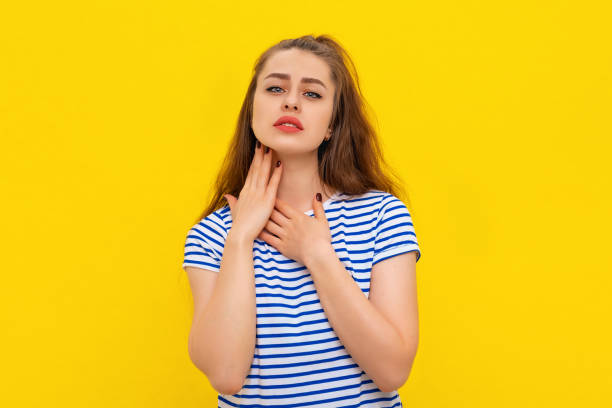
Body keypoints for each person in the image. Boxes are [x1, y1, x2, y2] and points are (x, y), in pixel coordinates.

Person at [182, 34, 421, 407]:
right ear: (252, 112)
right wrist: (241, 236)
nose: (291, 100)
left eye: (312, 94)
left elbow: (392, 370)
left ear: (331, 126)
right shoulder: (211, 236)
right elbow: (226, 374)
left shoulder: (382, 215)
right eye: (276, 88)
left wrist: (317, 254)